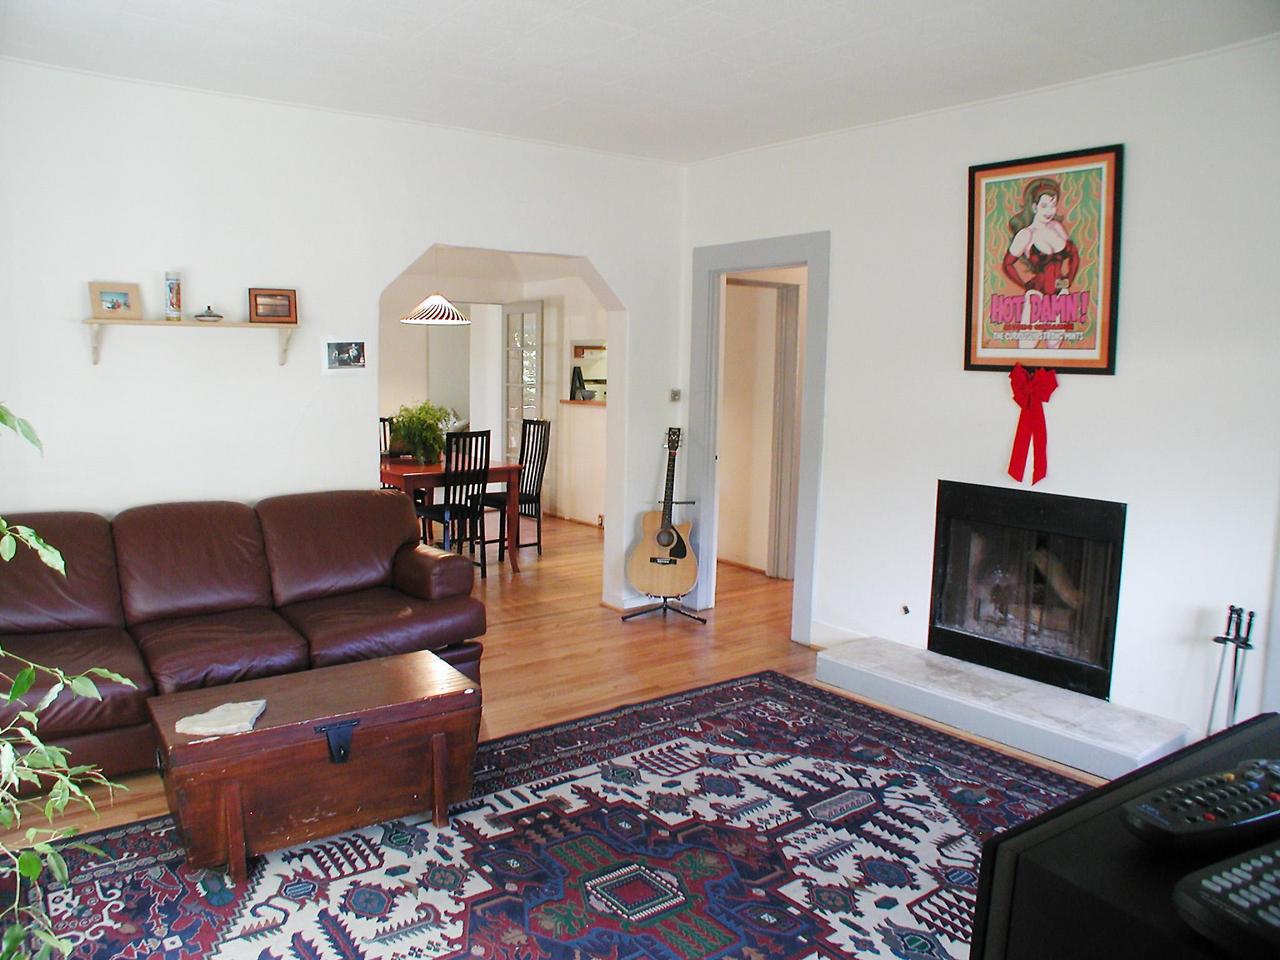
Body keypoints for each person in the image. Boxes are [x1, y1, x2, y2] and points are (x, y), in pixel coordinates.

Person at [1002, 177, 1078, 296]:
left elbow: (1074, 255)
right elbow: (1007, 265)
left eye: (1053, 205)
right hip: (1037, 293)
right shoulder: (1026, 234)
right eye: (1044, 206)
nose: (1049, 211)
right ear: (1034, 207)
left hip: (1061, 293)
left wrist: (1067, 282)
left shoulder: (1057, 227)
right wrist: (1026, 287)